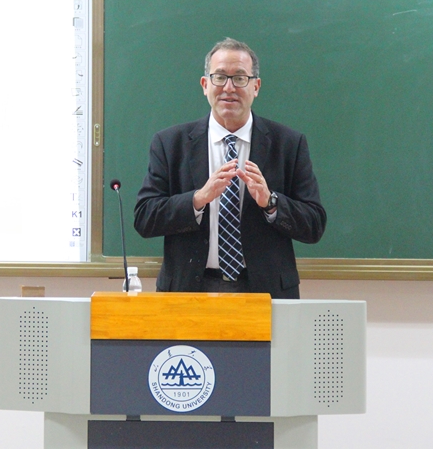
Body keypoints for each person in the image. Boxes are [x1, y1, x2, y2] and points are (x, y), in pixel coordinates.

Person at [134, 38, 326, 299]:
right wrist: (197, 199)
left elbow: (314, 225)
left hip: (265, 291)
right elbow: (145, 218)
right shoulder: (170, 144)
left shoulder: (288, 144)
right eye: (220, 77)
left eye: (239, 78)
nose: (229, 87)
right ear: (205, 85)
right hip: (189, 290)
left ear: (256, 86)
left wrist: (271, 203)